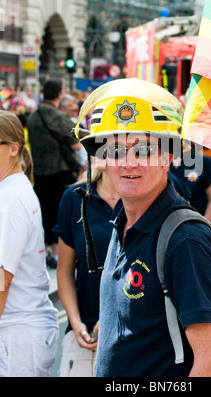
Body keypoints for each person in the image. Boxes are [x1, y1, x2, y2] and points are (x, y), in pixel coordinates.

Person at [75, 78, 211, 377]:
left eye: (144, 149)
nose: (128, 162)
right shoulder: (123, 222)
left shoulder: (185, 239)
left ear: (169, 156)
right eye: (115, 149)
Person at [0, 110, 58, 377]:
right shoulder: (16, 188)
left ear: (13, 148)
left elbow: (3, 277)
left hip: (17, 333)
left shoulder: (9, 200)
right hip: (22, 329)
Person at [54, 159, 121, 377]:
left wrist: (112, 317)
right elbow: (64, 270)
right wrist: (76, 324)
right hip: (85, 337)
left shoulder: (145, 198)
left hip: (135, 337)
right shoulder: (74, 198)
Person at [27, 80, 81, 268]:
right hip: (60, 172)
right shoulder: (59, 117)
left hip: (38, 172)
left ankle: (47, 251)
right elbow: (76, 144)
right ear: (59, 95)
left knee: (44, 212)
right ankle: (60, 256)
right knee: (60, 214)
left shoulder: (33, 116)